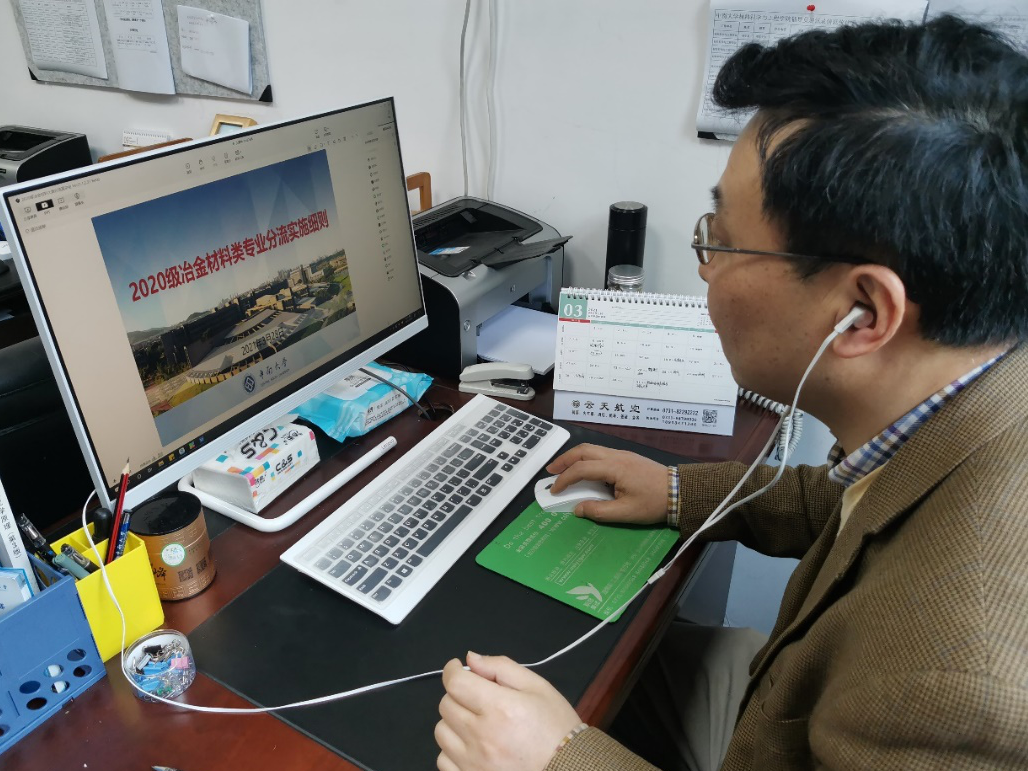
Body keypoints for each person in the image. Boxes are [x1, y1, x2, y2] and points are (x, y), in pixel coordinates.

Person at [434, 15, 1028, 771]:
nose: (705, 264)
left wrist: (561, 761)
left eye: (721, 238)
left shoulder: (961, 688)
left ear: (864, 312)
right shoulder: (977, 394)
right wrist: (679, 491)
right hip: (789, 695)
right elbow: (851, 504)